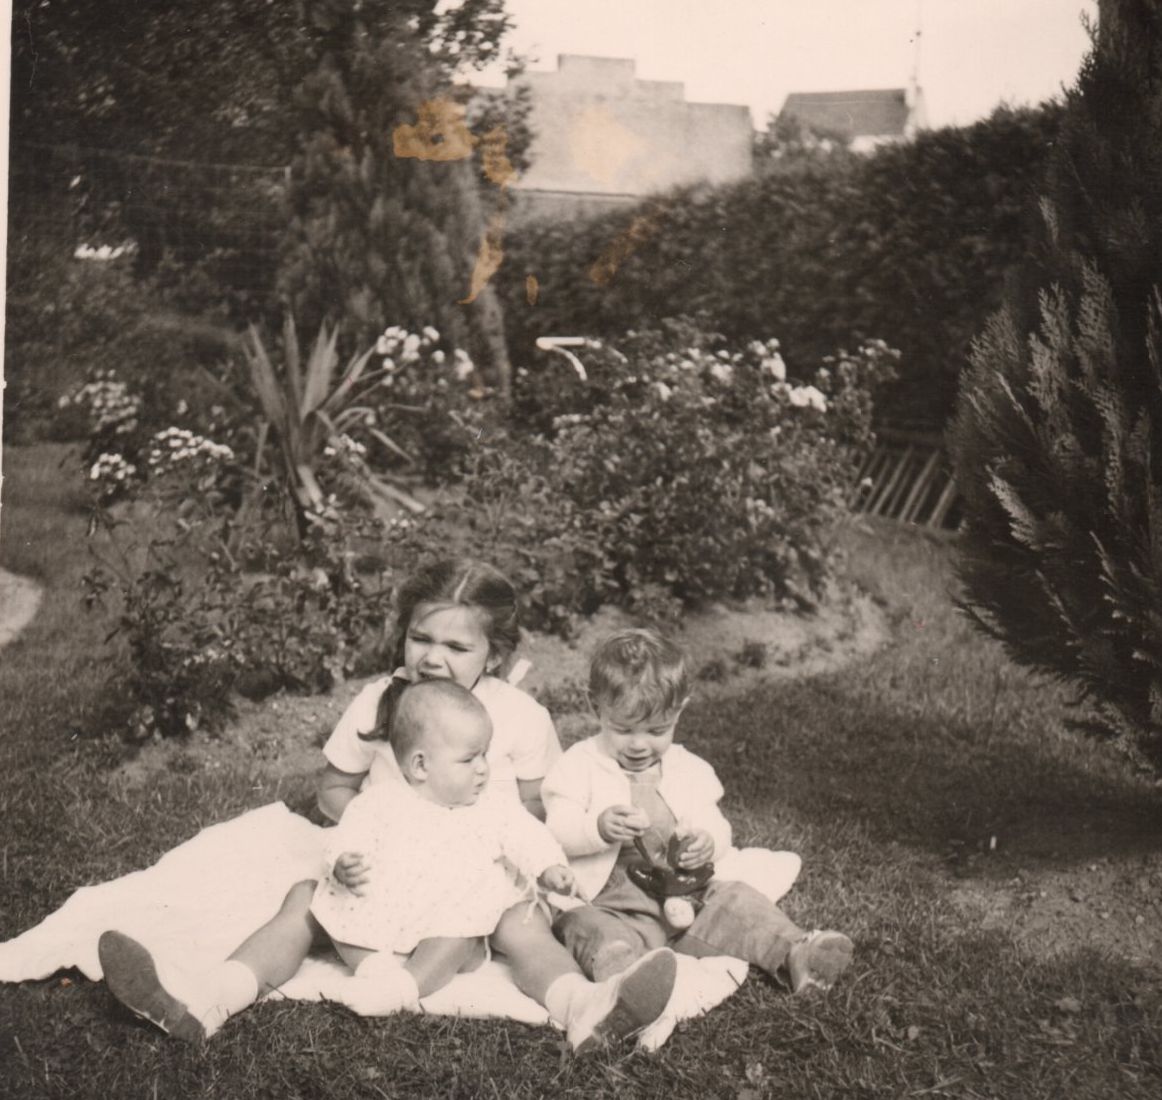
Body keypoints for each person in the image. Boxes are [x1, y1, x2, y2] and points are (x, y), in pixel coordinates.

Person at [98, 560, 677, 1052]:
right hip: (383, 864)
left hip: (478, 870)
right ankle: (209, 997)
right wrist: (365, 839)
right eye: (421, 639)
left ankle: (582, 1007)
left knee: (522, 924)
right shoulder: (381, 700)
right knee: (304, 901)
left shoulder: (522, 717)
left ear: (495, 655)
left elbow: (533, 807)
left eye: (457, 646)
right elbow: (334, 788)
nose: (433, 657)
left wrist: (524, 857)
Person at [543, 628, 855, 991]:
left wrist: (708, 842)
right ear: (596, 707)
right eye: (624, 730)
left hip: (686, 896)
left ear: (679, 712)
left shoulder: (687, 769)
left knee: (734, 900)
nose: (640, 744)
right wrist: (596, 828)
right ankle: (626, 972)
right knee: (581, 924)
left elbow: (716, 826)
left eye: (657, 730)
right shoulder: (578, 764)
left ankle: (795, 951)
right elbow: (556, 829)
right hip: (611, 903)